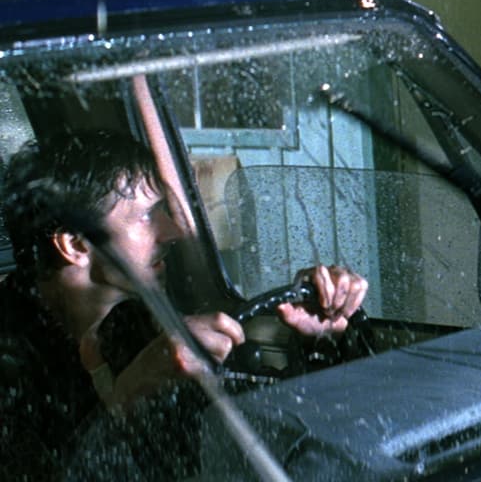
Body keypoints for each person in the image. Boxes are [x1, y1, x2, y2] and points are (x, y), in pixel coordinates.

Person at [0, 128, 368, 478]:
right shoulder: (10, 361)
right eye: (146, 216)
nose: (173, 231)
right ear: (75, 245)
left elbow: (241, 443)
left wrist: (321, 342)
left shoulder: (136, 323)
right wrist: (130, 393)